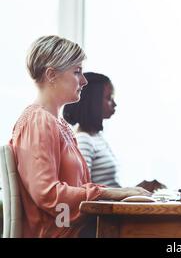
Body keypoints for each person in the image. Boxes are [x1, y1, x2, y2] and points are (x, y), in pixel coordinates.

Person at [9, 35, 151, 238]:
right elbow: (47, 194)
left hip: (73, 229)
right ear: (51, 75)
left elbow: (76, 190)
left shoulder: (58, 125)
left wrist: (120, 193)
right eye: (77, 72)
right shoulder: (38, 121)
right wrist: (107, 193)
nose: (84, 81)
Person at [63, 72, 166, 192]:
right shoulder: (84, 140)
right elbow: (82, 191)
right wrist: (130, 191)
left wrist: (137, 189)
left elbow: (109, 187)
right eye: (108, 98)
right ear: (93, 102)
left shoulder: (96, 137)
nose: (114, 104)